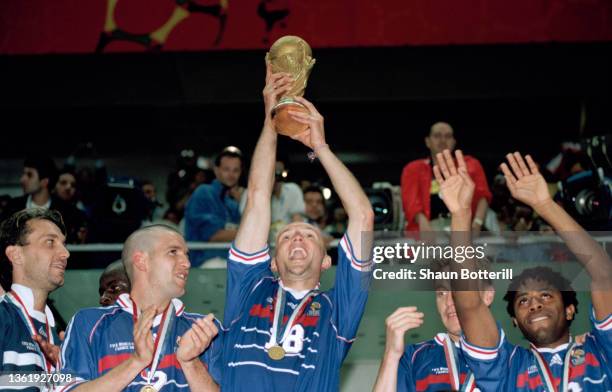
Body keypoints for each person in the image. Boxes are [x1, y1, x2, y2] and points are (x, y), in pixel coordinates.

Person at [218, 66, 374, 391]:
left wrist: (321, 148)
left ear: (326, 260)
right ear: (272, 262)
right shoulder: (249, 289)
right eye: (286, 236)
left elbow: (362, 215)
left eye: (309, 236)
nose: (298, 237)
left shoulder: (338, 310)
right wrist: (270, 121)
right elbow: (259, 197)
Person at [434, 149, 612, 391]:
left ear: (570, 310)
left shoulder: (602, 350)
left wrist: (545, 205)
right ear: (515, 322)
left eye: (546, 296)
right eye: (523, 301)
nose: (534, 305)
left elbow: (604, 274)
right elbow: (469, 304)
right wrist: (461, 215)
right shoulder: (506, 366)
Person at [59, 225, 222, 391]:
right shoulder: (89, 323)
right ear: (141, 261)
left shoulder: (205, 330)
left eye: (186, 255)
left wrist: (191, 363)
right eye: (173, 252)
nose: (187, 263)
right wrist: (135, 361)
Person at [373, 264, 494, 392]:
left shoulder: (513, 359)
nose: (448, 302)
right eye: (441, 293)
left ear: (487, 295)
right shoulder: (413, 357)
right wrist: (391, 355)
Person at [0, 209, 69, 377]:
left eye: (64, 244)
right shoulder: (4, 317)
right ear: (16, 255)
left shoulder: (62, 336)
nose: (66, 254)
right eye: (50, 242)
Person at [400, 122, 491, 233]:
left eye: (447, 136)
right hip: (428, 228)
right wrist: (425, 228)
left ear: (453, 142)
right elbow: (411, 203)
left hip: (465, 226)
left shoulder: (470, 165)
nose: (443, 140)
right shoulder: (412, 169)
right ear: (428, 141)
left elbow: (483, 196)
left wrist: (477, 224)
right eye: (437, 136)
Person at [2, 157, 87, 244]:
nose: (22, 179)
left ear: (44, 182)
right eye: (24, 174)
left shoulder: (68, 212)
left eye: (29, 175)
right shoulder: (12, 207)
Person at [185, 146, 244, 266]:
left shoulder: (234, 202)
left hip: (231, 261)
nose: (231, 174)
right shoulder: (204, 192)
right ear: (216, 170)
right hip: (206, 262)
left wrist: (243, 204)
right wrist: (251, 232)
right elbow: (213, 235)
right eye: (226, 169)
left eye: (235, 170)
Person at [239, 157, 306, 245]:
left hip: (288, 245)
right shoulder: (250, 193)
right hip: (258, 246)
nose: (275, 179)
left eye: (279, 174)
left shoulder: (293, 190)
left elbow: (298, 223)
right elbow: (249, 227)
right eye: (271, 174)